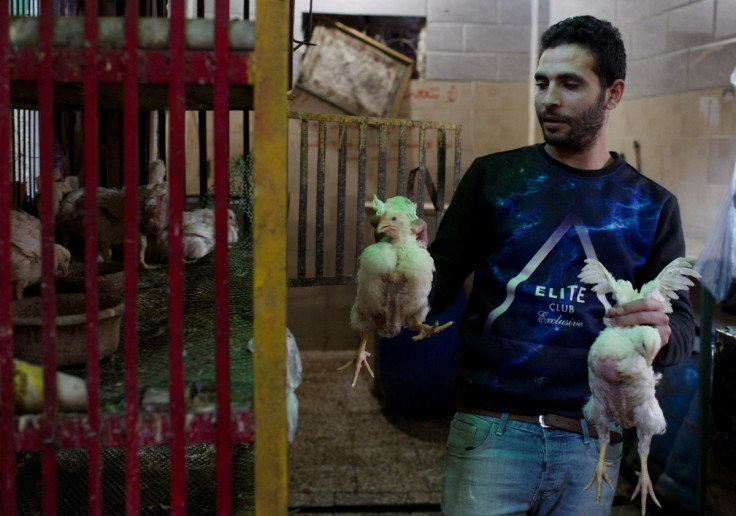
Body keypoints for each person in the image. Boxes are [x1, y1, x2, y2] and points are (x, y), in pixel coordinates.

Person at [420, 15, 696, 516]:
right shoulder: (496, 178)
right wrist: (407, 262)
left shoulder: (652, 206)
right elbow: (435, 290)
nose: (548, 98)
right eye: (542, 82)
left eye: (570, 84)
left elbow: (683, 333)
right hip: (492, 432)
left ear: (612, 95)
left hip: (594, 441)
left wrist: (656, 331)